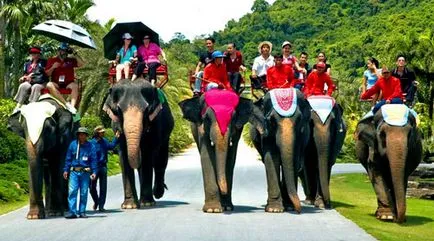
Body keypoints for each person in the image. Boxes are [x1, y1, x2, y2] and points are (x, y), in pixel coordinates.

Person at [63, 127, 97, 219]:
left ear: (86, 136)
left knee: (84, 192)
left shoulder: (91, 146)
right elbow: (68, 158)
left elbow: (94, 160)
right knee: (72, 191)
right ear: (77, 135)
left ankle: (82, 211)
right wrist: (66, 170)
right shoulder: (73, 145)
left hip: (85, 172)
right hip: (74, 172)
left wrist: (94, 172)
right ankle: (72, 212)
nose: (81, 136)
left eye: (83, 134)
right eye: (80, 134)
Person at [45, 42, 84, 114]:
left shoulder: (70, 60)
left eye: (66, 51)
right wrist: (53, 67)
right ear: (59, 51)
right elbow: (47, 74)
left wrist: (74, 53)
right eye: (63, 50)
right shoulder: (52, 60)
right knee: (49, 85)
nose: (64, 53)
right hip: (56, 83)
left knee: (75, 86)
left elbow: (81, 64)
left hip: (68, 83)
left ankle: (72, 108)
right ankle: (66, 104)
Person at [89, 126, 120, 212]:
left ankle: (101, 206)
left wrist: (116, 138)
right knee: (92, 187)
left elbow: (111, 146)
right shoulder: (91, 143)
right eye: (101, 132)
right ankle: (96, 201)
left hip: (103, 167)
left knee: (103, 188)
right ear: (97, 133)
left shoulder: (104, 141)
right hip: (93, 168)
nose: (103, 133)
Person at [13, 47, 48, 113]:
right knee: (23, 85)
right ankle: (18, 105)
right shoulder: (27, 63)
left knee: (36, 87)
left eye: (35, 53)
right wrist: (24, 77)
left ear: (39, 54)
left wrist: (32, 76)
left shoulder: (43, 62)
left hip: (41, 82)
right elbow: (25, 74)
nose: (33, 54)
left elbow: (45, 73)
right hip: (30, 81)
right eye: (31, 53)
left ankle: (32, 104)